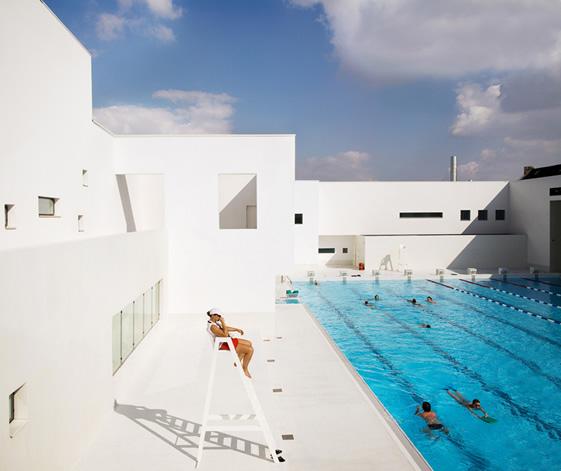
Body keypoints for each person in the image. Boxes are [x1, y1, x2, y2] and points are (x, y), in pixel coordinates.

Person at [207, 308, 255, 378]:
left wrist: (236, 329)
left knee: (249, 343)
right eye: (219, 316)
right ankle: (244, 369)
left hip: (228, 340)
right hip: (223, 344)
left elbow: (224, 328)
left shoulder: (214, 322)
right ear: (213, 315)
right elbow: (225, 335)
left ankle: (237, 361)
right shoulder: (212, 327)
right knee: (250, 350)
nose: (220, 317)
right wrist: (223, 322)